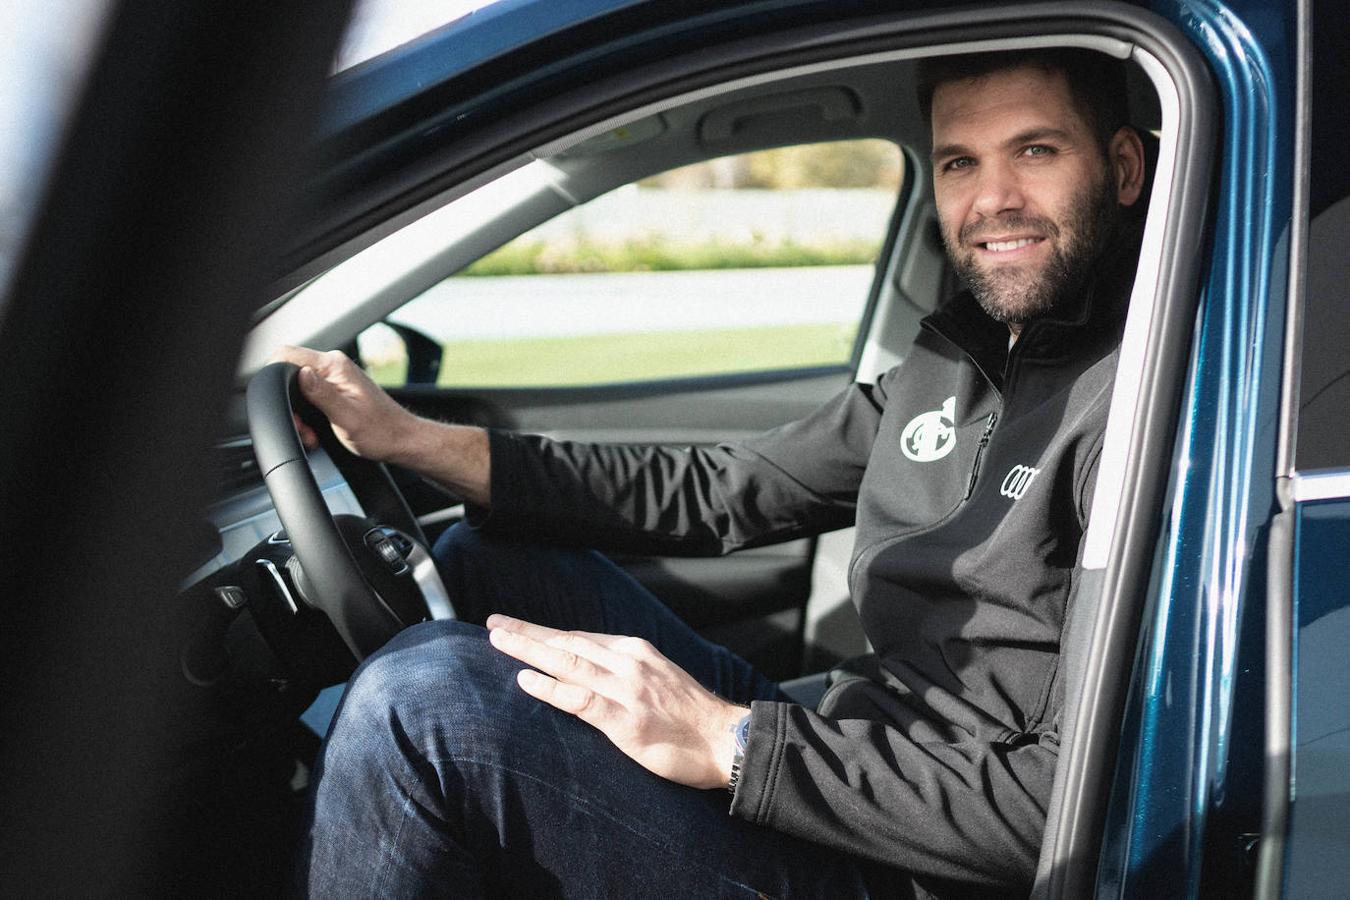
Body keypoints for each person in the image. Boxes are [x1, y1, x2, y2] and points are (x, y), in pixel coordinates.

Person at [287, 47, 1147, 898]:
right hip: (852, 755)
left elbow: (1063, 809)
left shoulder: (1140, 403)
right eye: (961, 162)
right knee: (487, 562)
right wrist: (402, 437)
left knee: (422, 707)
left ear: (1122, 168)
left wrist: (730, 744)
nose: (993, 200)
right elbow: (723, 487)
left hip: (912, 864)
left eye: (1035, 150)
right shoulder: (956, 357)